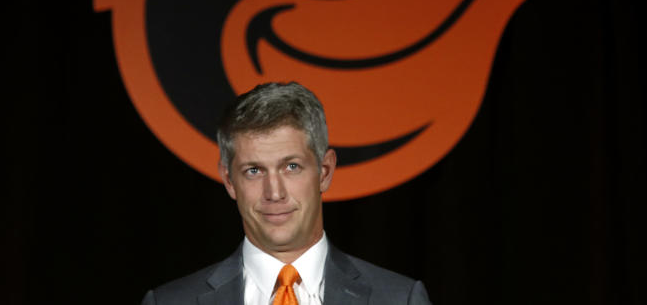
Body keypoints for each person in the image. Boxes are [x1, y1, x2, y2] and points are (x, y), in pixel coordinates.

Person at [142, 81, 431, 304]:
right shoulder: (169, 302)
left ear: (325, 171)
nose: (274, 192)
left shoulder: (399, 299)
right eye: (254, 171)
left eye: (291, 167)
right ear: (229, 181)